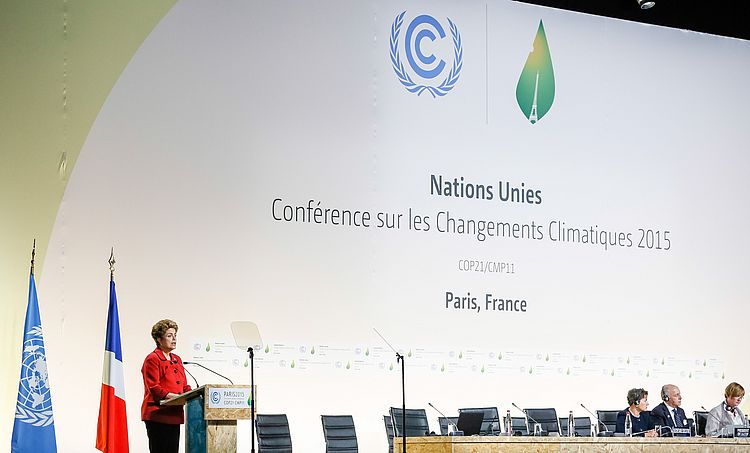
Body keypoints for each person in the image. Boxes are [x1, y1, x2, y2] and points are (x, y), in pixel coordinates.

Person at [141, 319, 191, 453]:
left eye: (175, 335)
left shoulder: (177, 359)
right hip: (158, 414)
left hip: (174, 414)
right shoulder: (153, 358)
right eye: (169, 335)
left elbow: (184, 386)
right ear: (159, 339)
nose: (174, 339)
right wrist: (175, 397)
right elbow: (154, 388)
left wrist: (193, 394)